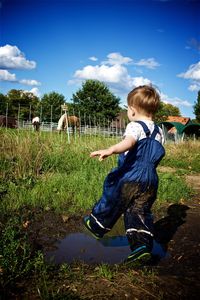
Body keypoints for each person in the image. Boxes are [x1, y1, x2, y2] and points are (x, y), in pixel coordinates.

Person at [83, 85, 165, 265]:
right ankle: (140, 247)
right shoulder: (160, 132)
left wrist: (111, 149)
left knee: (113, 196)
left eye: (128, 108)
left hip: (131, 175)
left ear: (133, 111)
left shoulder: (135, 126)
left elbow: (128, 142)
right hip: (150, 180)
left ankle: (97, 225)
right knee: (139, 212)